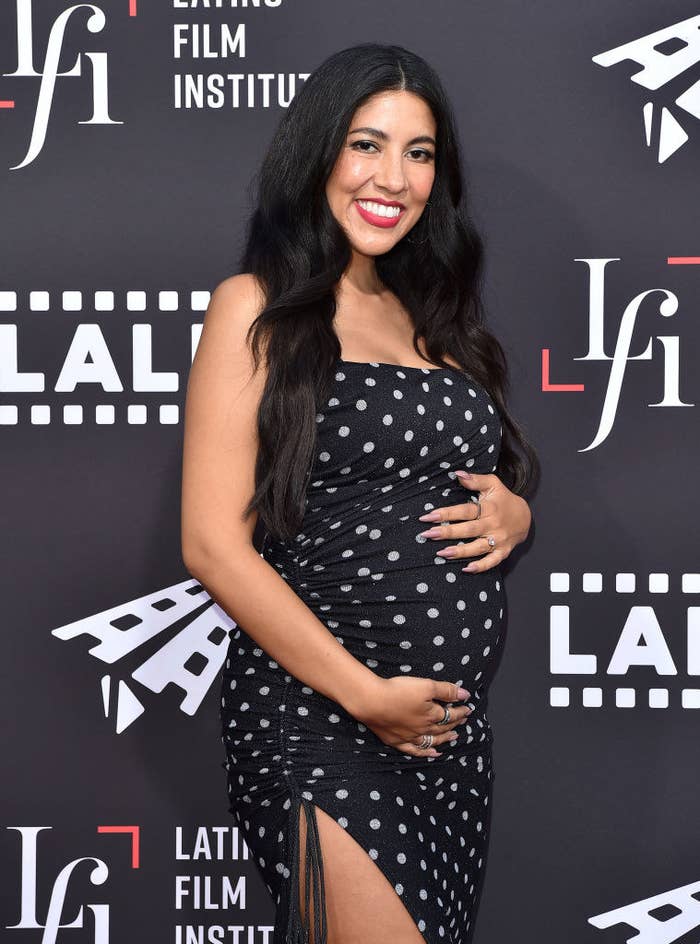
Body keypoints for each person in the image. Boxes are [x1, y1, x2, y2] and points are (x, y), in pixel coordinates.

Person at [181, 42, 538, 944]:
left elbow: (473, 470)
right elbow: (213, 545)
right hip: (320, 715)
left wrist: (516, 508)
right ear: (319, 156)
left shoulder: (438, 318)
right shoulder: (255, 305)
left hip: (446, 740)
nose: (394, 177)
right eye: (366, 144)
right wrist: (363, 693)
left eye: (419, 153)